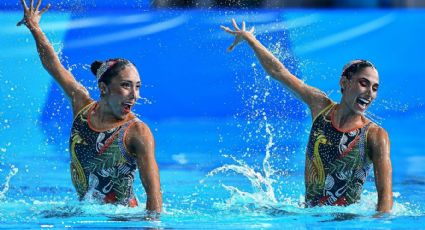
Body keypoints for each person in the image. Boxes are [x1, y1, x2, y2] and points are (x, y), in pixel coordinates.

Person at [221, 19, 392, 213]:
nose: (370, 93)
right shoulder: (320, 106)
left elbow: (385, 197)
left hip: (348, 222)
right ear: (344, 82)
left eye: (375, 88)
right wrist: (250, 39)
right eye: (364, 83)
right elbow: (279, 72)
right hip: (309, 215)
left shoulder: (376, 135)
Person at [17, 0, 162, 215]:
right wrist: (35, 28)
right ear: (103, 88)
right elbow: (54, 66)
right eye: (125, 86)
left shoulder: (137, 132)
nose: (134, 95)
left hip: (123, 219)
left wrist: (153, 227)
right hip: (84, 211)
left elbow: (154, 196)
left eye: (137, 87)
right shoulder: (82, 105)